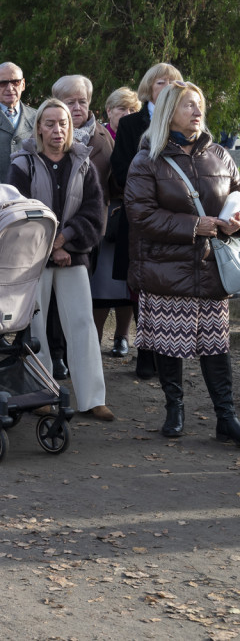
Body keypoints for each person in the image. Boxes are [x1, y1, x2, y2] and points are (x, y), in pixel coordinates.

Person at [125, 80, 240, 444]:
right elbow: (140, 215)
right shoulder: (147, 159)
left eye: (199, 104)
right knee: (168, 346)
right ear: (169, 112)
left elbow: (236, 193)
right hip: (166, 269)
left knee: (216, 348)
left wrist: (234, 221)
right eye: (189, 105)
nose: (197, 111)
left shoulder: (220, 155)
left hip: (210, 267)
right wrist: (196, 225)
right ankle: (174, 409)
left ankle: (226, 418)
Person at [8, 98, 112, 421]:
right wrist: (48, 247)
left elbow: (95, 212)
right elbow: (16, 212)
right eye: (50, 123)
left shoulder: (84, 164)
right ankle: (39, 393)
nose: (57, 129)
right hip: (33, 259)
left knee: (82, 324)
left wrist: (66, 240)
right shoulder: (22, 163)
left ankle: (93, 398)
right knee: (35, 326)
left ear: (71, 127)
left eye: (63, 123)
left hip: (73, 255)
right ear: (38, 127)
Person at [109, 62, 184, 379]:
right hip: (139, 217)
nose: (166, 86)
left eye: (173, 82)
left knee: (167, 284)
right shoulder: (129, 126)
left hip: (174, 218)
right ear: (148, 88)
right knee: (139, 286)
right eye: (160, 82)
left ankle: (165, 356)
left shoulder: (185, 122)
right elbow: (122, 171)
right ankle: (146, 352)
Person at [50, 74, 126, 357]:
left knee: (83, 296)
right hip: (55, 231)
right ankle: (56, 353)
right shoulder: (48, 135)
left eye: (82, 101)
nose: (78, 107)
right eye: (70, 101)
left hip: (92, 229)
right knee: (55, 298)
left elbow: (114, 184)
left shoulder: (104, 138)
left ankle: (76, 352)